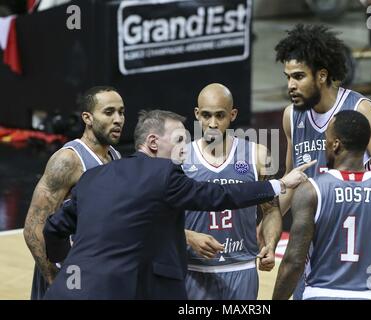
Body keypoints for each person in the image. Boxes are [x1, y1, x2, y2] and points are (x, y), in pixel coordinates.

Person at [42, 109, 313, 300]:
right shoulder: (164, 174)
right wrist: (278, 185)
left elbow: (53, 229)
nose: (185, 149)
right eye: (179, 141)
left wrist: (66, 263)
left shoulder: (93, 177)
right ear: (152, 142)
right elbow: (216, 196)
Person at [274, 23, 371, 299]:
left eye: (298, 76)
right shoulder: (291, 116)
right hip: (311, 242)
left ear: (321, 75)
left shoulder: (361, 111)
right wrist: (266, 228)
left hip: (357, 244)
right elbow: (290, 181)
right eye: (287, 77)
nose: (290, 85)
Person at [273, 110, 371, 300]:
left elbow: (294, 261)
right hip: (370, 295)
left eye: (326, 139)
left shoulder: (311, 191)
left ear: (335, 144)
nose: (324, 144)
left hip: (320, 293)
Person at [183, 83, 290, 300]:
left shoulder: (258, 155)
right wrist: (187, 236)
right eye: (206, 115)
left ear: (232, 115)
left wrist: (270, 244)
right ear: (197, 114)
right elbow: (161, 214)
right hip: (194, 269)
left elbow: (271, 210)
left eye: (220, 116)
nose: (212, 123)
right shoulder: (180, 158)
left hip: (242, 267)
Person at [23, 86, 125, 299]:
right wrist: (55, 279)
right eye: (109, 112)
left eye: (121, 112)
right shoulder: (69, 160)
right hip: (69, 271)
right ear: (88, 118)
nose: (118, 119)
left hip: (98, 270)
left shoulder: (115, 155)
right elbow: (33, 227)